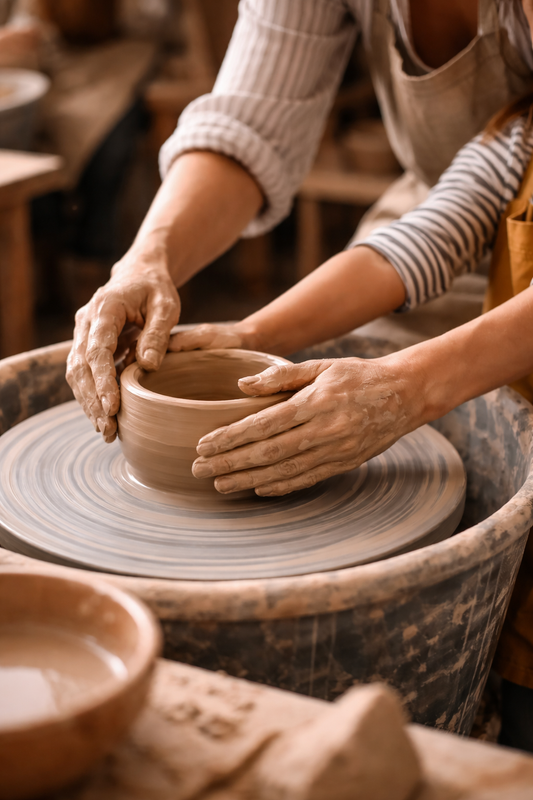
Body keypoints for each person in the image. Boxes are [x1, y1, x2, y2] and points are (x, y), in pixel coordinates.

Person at [66, 0, 533, 442]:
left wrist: (419, 384)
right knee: (344, 386)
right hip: (462, 229)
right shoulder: (511, 144)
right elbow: (414, 246)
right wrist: (249, 335)